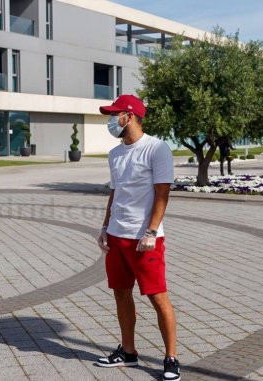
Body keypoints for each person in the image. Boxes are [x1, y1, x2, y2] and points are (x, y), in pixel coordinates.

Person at [95, 95, 180, 381]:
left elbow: (162, 193)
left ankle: (171, 358)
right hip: (117, 236)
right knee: (121, 293)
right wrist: (105, 227)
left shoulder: (157, 149)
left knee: (158, 297)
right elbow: (115, 193)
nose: (110, 119)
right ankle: (129, 352)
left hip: (145, 239)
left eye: (113, 114)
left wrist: (151, 232)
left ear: (129, 116)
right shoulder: (115, 154)